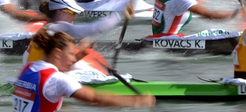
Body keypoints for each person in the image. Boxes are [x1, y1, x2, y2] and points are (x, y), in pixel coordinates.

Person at [13, 30, 155, 110]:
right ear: (57, 53)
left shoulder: (28, 69)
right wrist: (136, 101)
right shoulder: (58, 80)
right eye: (71, 54)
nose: (74, 59)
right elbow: (96, 98)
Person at [23, 0, 130, 67]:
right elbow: (95, 28)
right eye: (73, 13)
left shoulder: (48, 29)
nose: (75, 17)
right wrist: (120, 14)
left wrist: (82, 53)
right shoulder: (58, 27)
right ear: (60, 12)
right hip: (39, 80)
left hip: (33, 76)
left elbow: (58, 64)